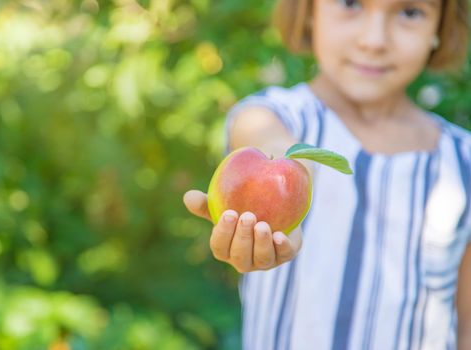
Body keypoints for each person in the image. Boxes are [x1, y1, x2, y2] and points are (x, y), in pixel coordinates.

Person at [183, 0, 471, 348]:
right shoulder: (275, 117)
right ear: (309, 12)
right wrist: (287, 197)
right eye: (350, 3)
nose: (374, 40)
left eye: (410, 12)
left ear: (440, 27)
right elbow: (270, 144)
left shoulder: (462, 161)